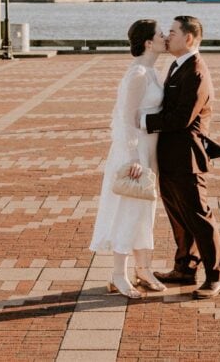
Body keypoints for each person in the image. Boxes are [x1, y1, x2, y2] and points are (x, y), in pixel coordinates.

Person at [144, 15, 220, 299]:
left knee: (198, 217)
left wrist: (144, 121)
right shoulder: (178, 65)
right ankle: (185, 267)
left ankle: (216, 275)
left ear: (189, 38)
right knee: (178, 216)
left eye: (172, 32)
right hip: (170, 155)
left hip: (187, 156)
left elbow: (182, 118)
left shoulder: (196, 71)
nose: (167, 37)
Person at [89, 19, 168, 298]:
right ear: (148, 42)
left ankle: (143, 269)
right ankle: (118, 275)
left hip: (148, 149)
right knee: (129, 208)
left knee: (145, 209)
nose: (166, 37)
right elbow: (126, 118)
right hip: (134, 151)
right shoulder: (137, 74)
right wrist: (134, 156)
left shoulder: (150, 71)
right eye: (161, 34)